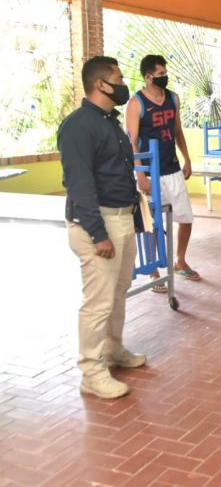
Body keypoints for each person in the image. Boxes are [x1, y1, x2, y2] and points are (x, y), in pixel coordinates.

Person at [59, 56, 146, 399]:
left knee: (118, 291)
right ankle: (91, 372)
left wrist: (133, 220)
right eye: (119, 79)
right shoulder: (79, 126)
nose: (124, 85)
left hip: (121, 217)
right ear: (101, 84)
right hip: (98, 223)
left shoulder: (109, 122)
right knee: (98, 301)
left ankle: (112, 350)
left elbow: (120, 174)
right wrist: (98, 234)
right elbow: (80, 185)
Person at [126, 54, 199, 291]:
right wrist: (140, 174)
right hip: (150, 171)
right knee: (152, 223)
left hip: (172, 168)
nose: (164, 77)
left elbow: (177, 130)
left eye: (165, 73)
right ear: (148, 77)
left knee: (185, 218)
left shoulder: (173, 98)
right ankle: (154, 271)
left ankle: (180, 260)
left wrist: (187, 158)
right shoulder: (136, 103)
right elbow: (131, 141)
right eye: (160, 74)